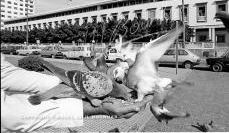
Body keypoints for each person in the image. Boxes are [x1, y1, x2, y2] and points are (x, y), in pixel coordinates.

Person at [1, 54, 152, 132]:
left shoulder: (109, 83)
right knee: (60, 90)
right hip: (75, 84)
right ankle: (41, 97)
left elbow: (5, 73)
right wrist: (96, 105)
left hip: (73, 82)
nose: (127, 93)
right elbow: (6, 116)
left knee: (56, 90)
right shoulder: (105, 85)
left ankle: (40, 97)